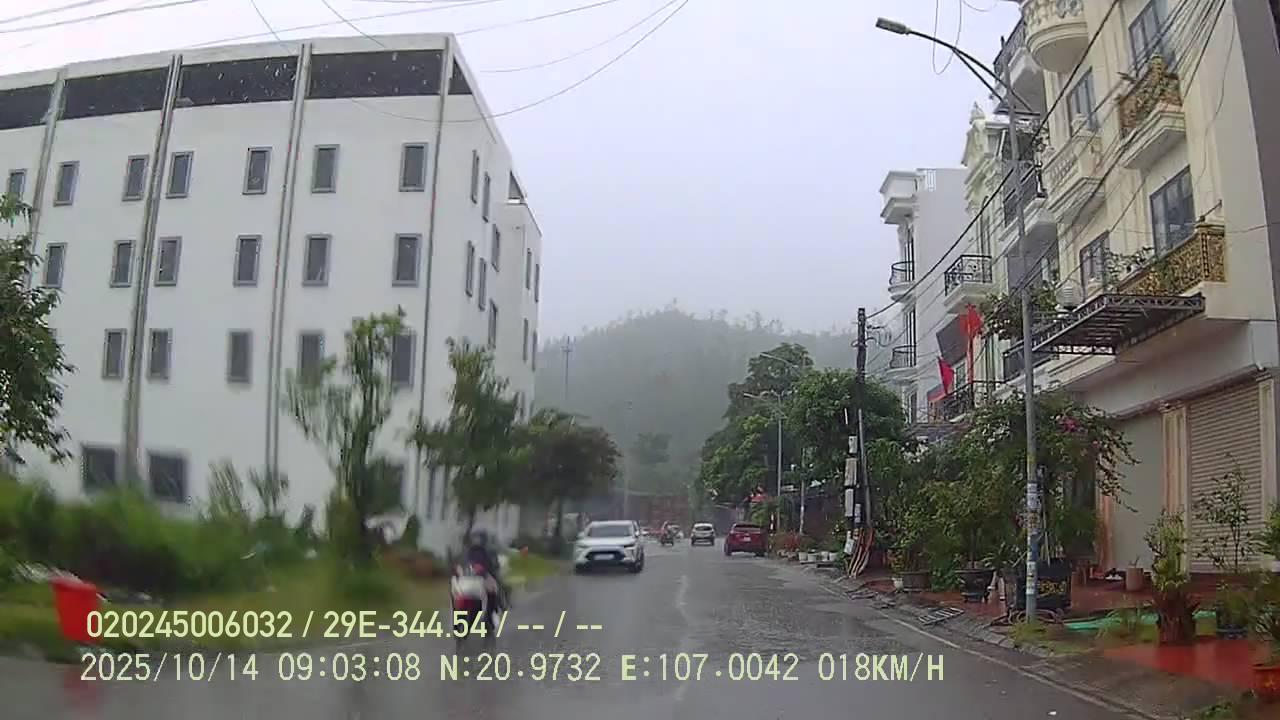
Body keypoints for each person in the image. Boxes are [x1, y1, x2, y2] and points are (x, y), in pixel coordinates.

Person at [463, 530, 508, 610]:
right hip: (473, 575)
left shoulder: (486, 550)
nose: (476, 540)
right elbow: (467, 562)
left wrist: (490, 568)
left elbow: (490, 562)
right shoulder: (470, 551)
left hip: (484, 574)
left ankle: (499, 603)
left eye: (478, 538)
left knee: (496, 586)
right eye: (475, 538)